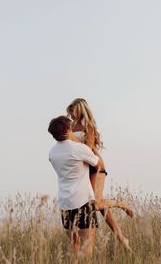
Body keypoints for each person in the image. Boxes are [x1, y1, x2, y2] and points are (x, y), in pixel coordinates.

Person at [67, 98, 133, 251]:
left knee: (96, 203)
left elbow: (89, 148)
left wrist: (72, 138)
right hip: (80, 168)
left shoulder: (88, 125)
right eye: (69, 109)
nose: (71, 112)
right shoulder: (70, 125)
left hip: (95, 167)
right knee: (99, 205)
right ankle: (122, 238)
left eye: (73, 109)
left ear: (81, 108)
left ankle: (121, 204)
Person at [48, 115, 105, 258]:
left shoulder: (52, 153)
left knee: (74, 247)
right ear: (68, 130)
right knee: (87, 249)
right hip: (83, 201)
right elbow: (99, 165)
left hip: (64, 202)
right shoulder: (79, 149)